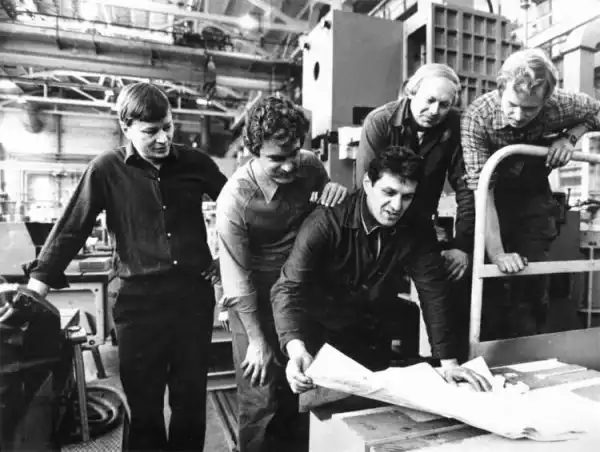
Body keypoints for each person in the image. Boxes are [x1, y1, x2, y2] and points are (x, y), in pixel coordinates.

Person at [24, 82, 227, 451]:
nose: (163, 138)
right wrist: (35, 290)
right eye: (151, 131)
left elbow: (238, 209)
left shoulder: (195, 164)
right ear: (126, 126)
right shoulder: (106, 169)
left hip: (192, 300)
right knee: (145, 407)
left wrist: (225, 260)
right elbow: (72, 226)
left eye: (168, 127)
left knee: (190, 403)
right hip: (139, 305)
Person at [271, 147, 491, 396]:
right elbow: (288, 289)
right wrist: (296, 350)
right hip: (316, 332)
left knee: (370, 403)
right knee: (315, 406)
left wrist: (449, 363)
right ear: (368, 183)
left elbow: (433, 291)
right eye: (389, 192)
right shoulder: (325, 222)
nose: (396, 206)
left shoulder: (416, 225)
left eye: (407, 196)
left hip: (366, 327)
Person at [216, 95, 348, 452]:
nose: (290, 166)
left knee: (305, 389)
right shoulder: (234, 200)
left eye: (293, 153)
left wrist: (334, 192)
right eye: (276, 159)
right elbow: (237, 281)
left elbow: (325, 214)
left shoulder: (310, 166)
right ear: (253, 152)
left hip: (298, 294)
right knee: (262, 399)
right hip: (254, 301)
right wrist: (257, 341)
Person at [461, 48, 600, 339]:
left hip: (534, 195)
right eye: (512, 105)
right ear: (500, 89)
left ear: (546, 101)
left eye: (530, 110)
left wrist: (569, 138)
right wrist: (498, 253)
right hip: (491, 197)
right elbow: (483, 190)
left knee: (532, 283)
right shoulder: (477, 117)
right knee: (488, 284)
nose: (519, 116)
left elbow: (596, 112)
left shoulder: (562, 104)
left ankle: (530, 349)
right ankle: (486, 353)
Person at [355, 63, 474, 282]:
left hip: (421, 229)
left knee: (442, 288)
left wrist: (462, 246)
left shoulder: (456, 125)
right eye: (429, 100)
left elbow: (467, 187)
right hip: (381, 226)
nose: (435, 111)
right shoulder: (380, 122)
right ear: (411, 92)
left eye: (444, 105)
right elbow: (365, 188)